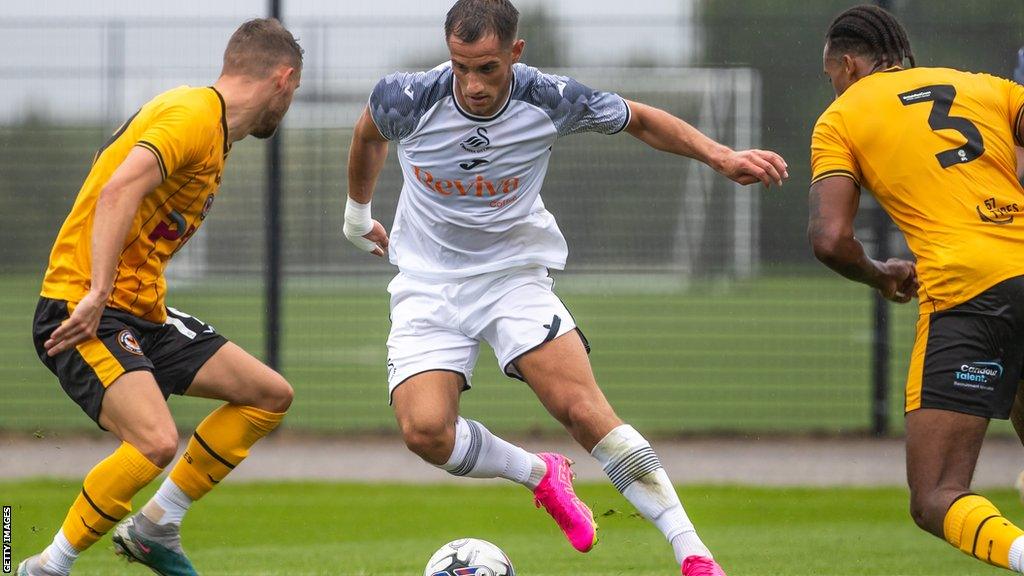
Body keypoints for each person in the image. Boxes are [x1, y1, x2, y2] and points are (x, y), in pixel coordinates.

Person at [344, 1, 788, 574]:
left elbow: (641, 119)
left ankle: (693, 553)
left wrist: (720, 156)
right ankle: (540, 475)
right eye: (461, 67)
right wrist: (357, 215)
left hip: (513, 277)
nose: (473, 85)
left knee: (582, 409)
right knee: (426, 432)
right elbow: (368, 134)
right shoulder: (405, 97)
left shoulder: (550, 98)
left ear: (515, 53)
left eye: (488, 68)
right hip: (427, 283)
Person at [18, 18, 302, 576]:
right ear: (284, 80)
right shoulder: (194, 115)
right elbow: (119, 187)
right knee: (154, 441)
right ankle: (45, 567)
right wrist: (98, 291)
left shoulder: (214, 131)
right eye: (292, 94)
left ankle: (155, 526)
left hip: (141, 310)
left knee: (268, 396)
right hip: (81, 307)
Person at [809, 4, 1024, 573]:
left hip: (970, 291)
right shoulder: (985, 87)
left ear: (849, 66)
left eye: (831, 77)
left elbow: (830, 239)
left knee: (935, 497)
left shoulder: (842, 117)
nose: (832, 88)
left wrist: (880, 274)